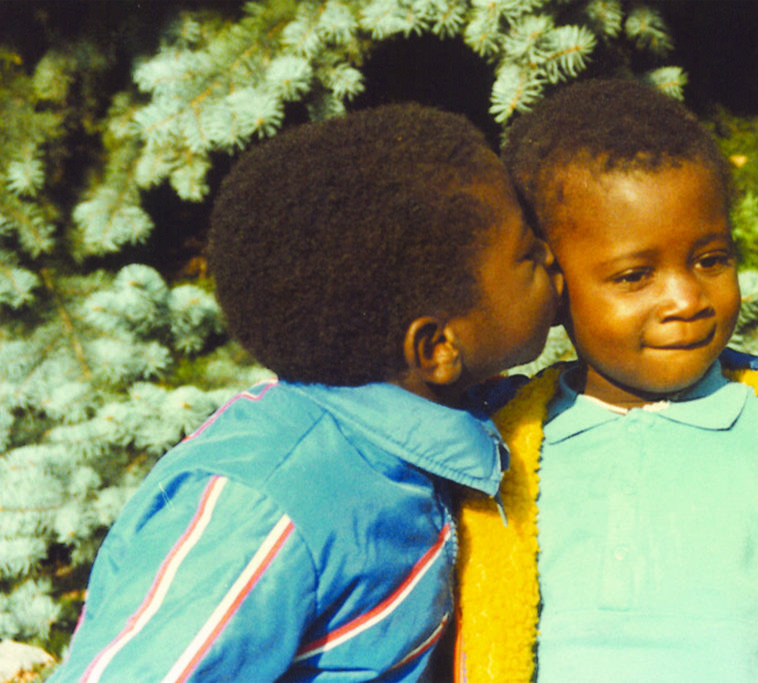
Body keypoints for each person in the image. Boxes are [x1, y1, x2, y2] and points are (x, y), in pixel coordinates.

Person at [454, 79, 758, 683]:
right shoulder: (488, 446)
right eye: (636, 276)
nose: (686, 298)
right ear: (555, 283)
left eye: (711, 260)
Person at [52, 103, 560, 682]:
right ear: (437, 347)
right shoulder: (271, 503)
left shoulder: (448, 425)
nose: (551, 256)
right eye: (526, 254)